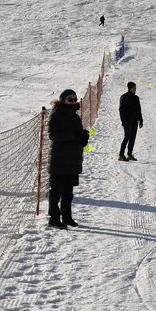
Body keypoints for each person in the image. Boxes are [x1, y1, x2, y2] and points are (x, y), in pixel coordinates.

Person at [47, 90, 89, 228]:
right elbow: (53, 136)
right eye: (70, 99)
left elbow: (77, 137)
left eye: (74, 99)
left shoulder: (75, 116)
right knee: (56, 191)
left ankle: (67, 217)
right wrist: (72, 135)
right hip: (59, 159)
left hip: (72, 160)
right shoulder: (56, 114)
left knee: (68, 192)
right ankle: (54, 219)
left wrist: (83, 138)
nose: (73, 101)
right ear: (63, 100)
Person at [118, 82, 143, 161]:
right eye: (134, 88)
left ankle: (129, 154)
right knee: (127, 137)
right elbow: (121, 110)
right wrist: (123, 121)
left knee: (132, 137)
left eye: (135, 88)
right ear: (130, 88)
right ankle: (121, 155)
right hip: (127, 121)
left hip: (135, 120)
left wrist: (141, 120)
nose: (135, 89)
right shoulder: (124, 97)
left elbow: (139, 109)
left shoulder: (136, 98)